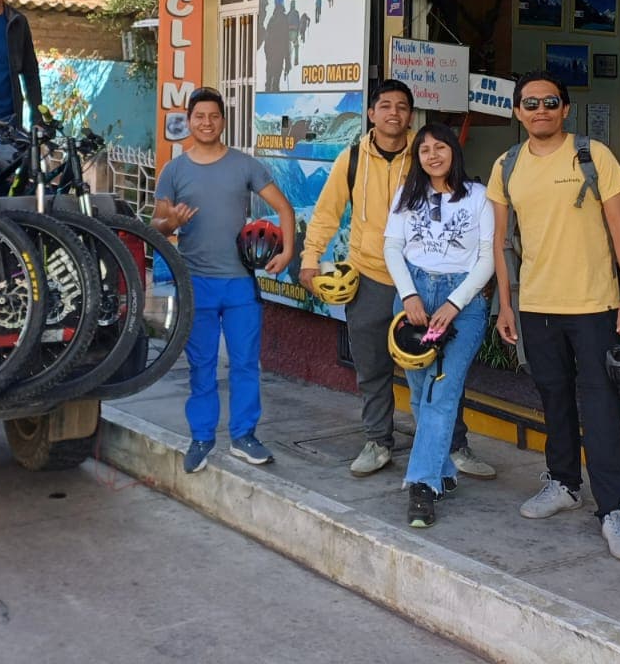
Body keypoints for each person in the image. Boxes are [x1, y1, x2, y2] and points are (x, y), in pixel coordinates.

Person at [300, 79, 496, 480]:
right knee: (371, 364)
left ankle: (453, 445)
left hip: (426, 281)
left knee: (440, 368)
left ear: (411, 115)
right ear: (371, 113)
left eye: (402, 106)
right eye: (385, 105)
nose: (394, 113)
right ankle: (378, 440)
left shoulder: (425, 155)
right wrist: (309, 259)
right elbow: (326, 213)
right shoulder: (351, 159)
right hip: (371, 275)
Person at [490, 70, 620, 562]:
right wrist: (505, 304)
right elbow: (500, 242)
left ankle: (614, 509)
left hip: (594, 304)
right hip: (536, 305)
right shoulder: (507, 165)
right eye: (530, 103)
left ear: (565, 109)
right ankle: (563, 483)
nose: (540, 110)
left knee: (600, 406)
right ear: (517, 111)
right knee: (553, 398)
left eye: (550, 102)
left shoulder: (593, 155)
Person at [153, 87, 295, 474]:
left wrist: (286, 252)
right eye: (199, 116)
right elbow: (156, 224)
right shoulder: (174, 171)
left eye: (214, 116)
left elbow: (284, 208)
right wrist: (171, 222)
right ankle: (201, 438)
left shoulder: (244, 165)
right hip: (195, 283)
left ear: (223, 121)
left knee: (246, 363)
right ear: (189, 121)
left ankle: (244, 437)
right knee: (201, 365)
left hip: (240, 283)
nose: (207, 122)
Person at [384, 123, 495, 529]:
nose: (433, 155)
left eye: (440, 147)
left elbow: (487, 257)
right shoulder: (407, 195)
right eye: (425, 149)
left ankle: (422, 484)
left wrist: (454, 303)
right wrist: (409, 294)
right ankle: (443, 470)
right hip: (414, 296)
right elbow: (392, 247)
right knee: (419, 393)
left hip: (461, 301)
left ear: (454, 151)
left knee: (442, 393)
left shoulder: (479, 196)